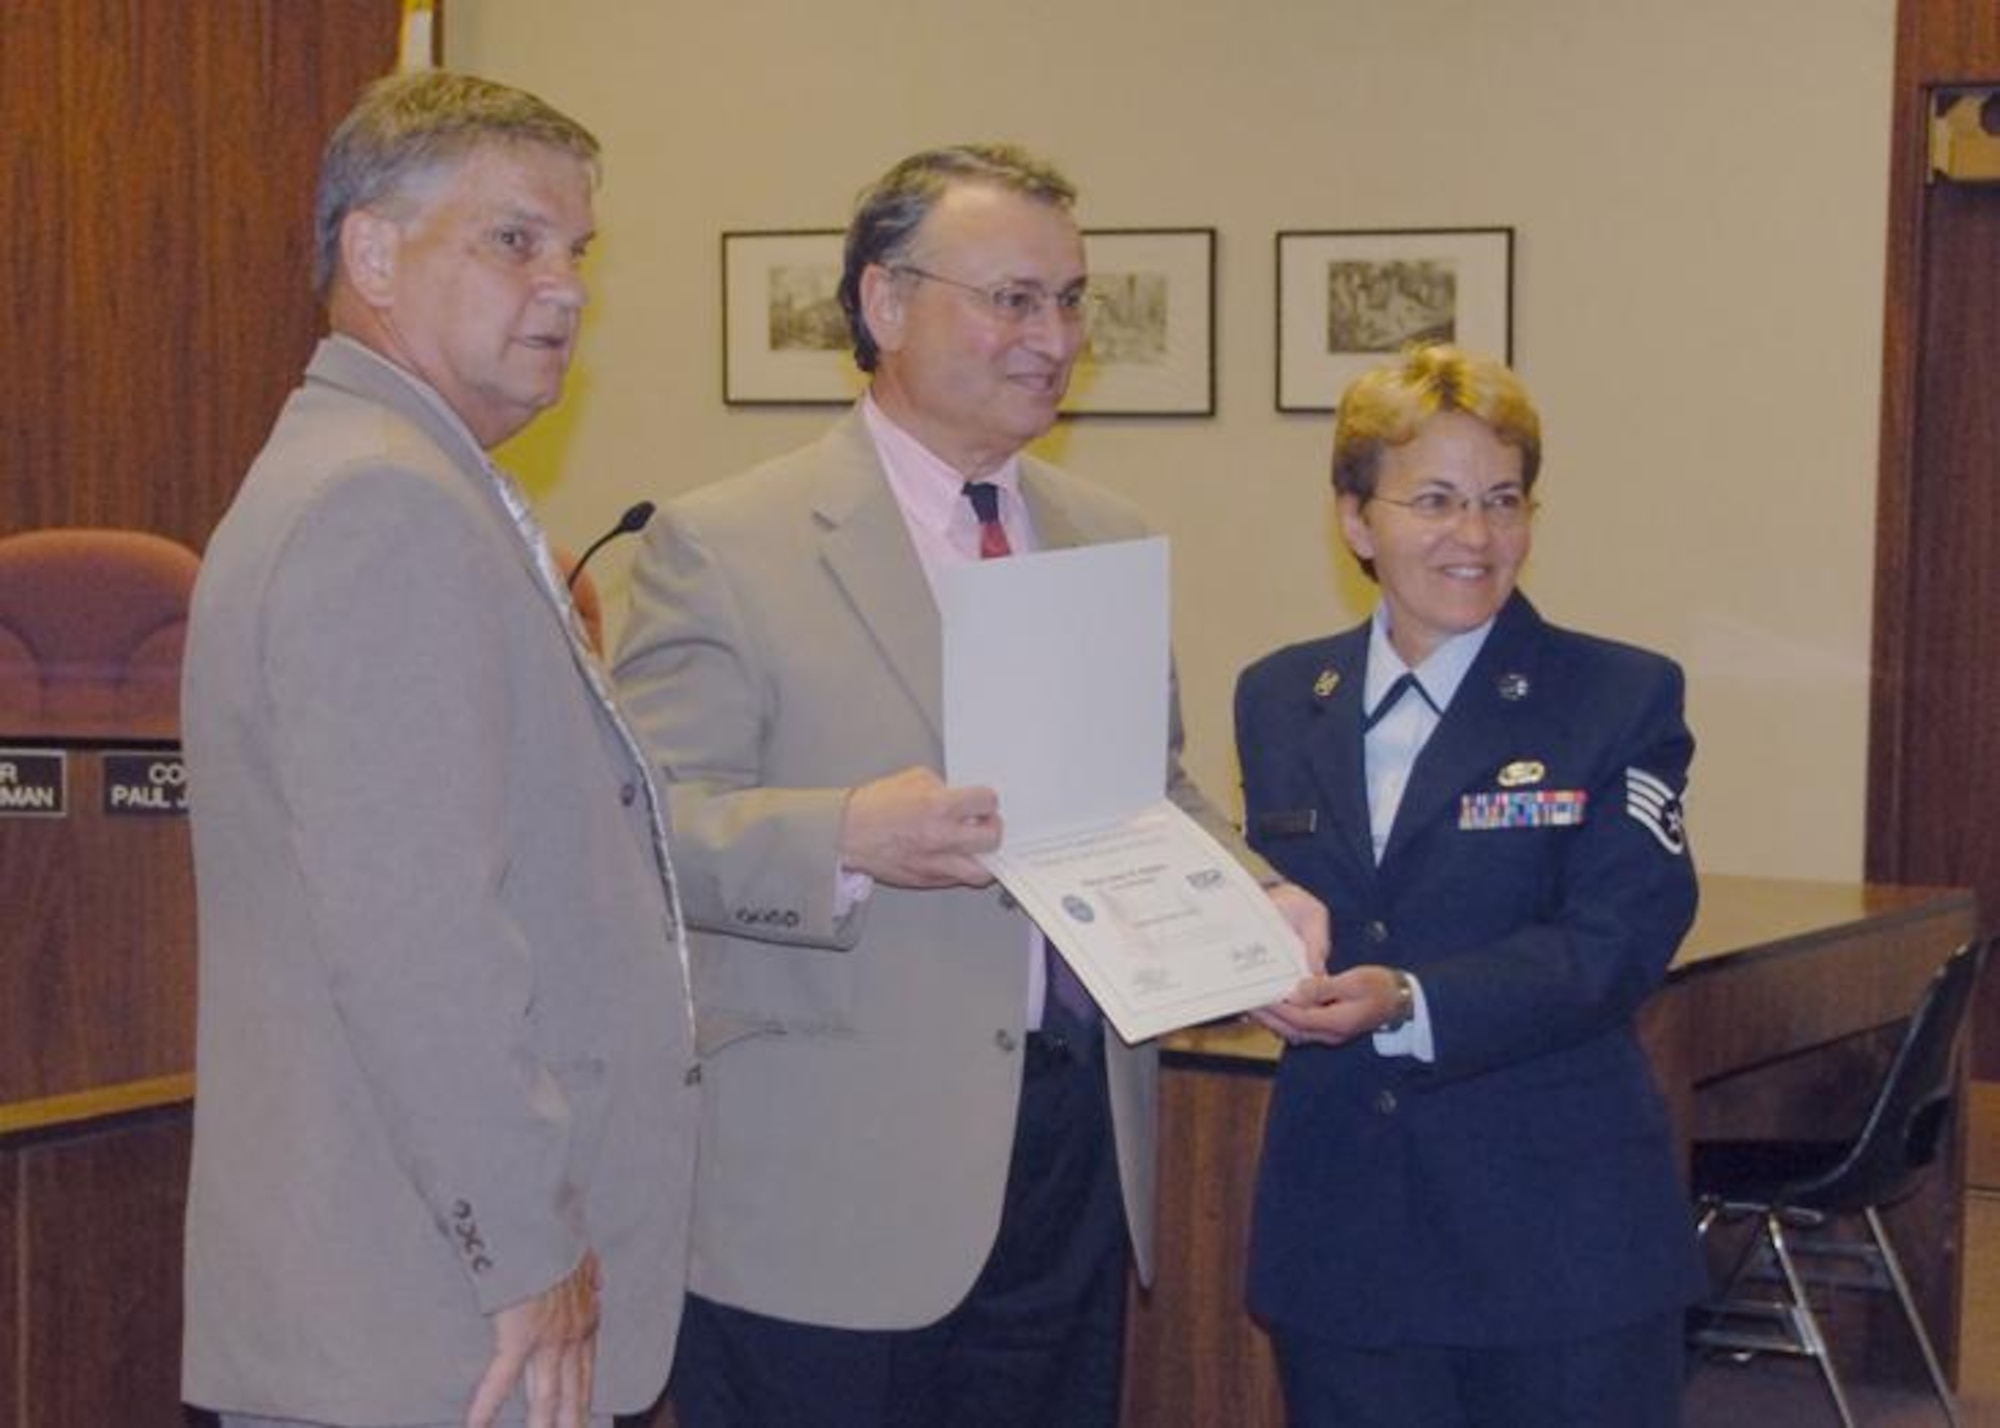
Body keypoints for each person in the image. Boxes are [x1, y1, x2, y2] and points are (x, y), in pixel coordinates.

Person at [612, 143, 1327, 1427]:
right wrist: (843, 834)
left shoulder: (1099, 529)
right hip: (830, 1189)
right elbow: (641, 826)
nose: (1049, 338)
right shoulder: (724, 544)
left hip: (1069, 1157)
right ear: (884, 304)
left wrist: (1255, 897)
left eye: (1069, 300)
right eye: (1011, 299)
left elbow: (1146, 793)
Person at [180, 71, 698, 1428]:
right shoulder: (380, 506)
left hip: (417, 1306)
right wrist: (525, 1247)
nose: (568, 289)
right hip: (432, 1323)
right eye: (515, 241)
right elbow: (420, 935)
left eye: (578, 251)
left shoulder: (400, 476)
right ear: (373, 254)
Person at [1240, 345, 1706, 1427]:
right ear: (1356, 520)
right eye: (1435, 501)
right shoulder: (1276, 696)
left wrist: (1409, 999)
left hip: (1554, 1230)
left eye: (1503, 501)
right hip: (1342, 1226)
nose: (1476, 536)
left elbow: (1617, 939)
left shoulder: (1614, 693)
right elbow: (1278, 895)